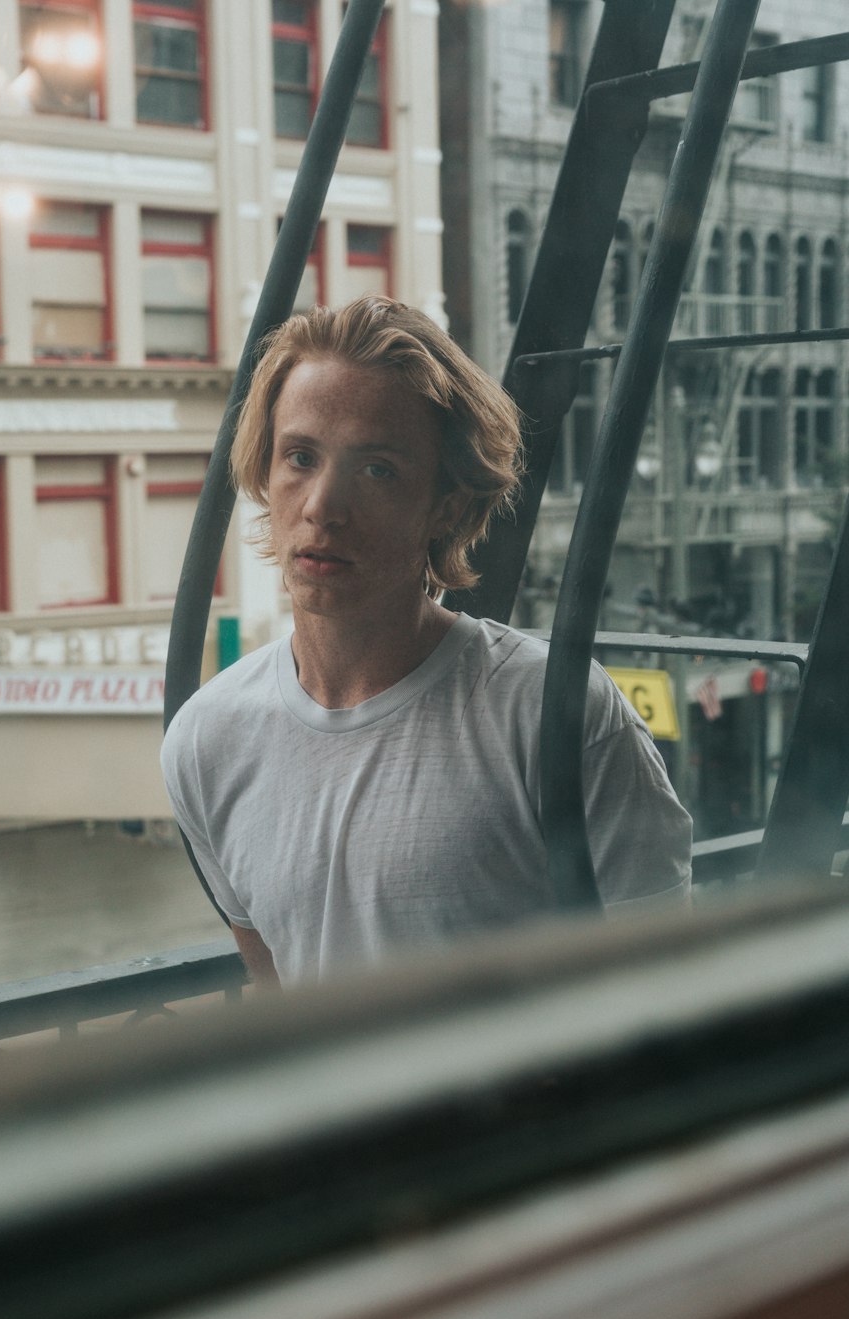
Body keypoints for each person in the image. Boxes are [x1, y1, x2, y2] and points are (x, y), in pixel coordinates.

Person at [161, 296, 692, 988]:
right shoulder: (206, 740)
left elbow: (662, 993)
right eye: (300, 457)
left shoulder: (552, 715)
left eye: (377, 469)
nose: (323, 506)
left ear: (446, 503)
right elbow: (283, 1001)